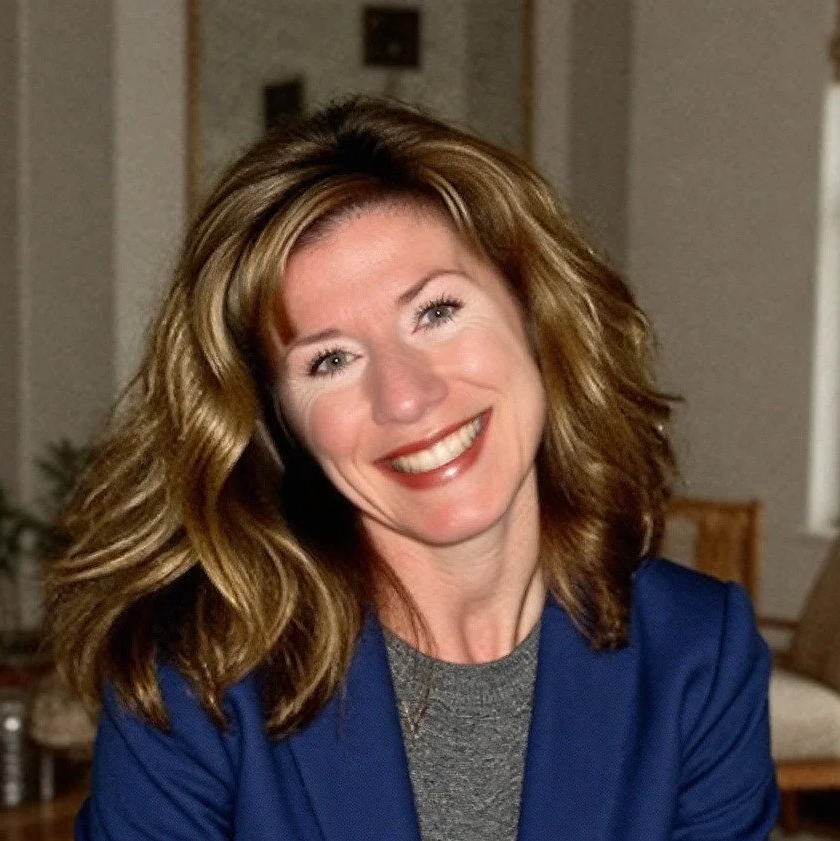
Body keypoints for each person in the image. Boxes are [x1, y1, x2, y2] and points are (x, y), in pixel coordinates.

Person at [47, 97, 779, 840]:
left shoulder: (698, 651)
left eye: (434, 312)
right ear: (278, 425)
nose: (406, 396)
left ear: (534, 312)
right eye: (330, 359)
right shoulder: (193, 683)